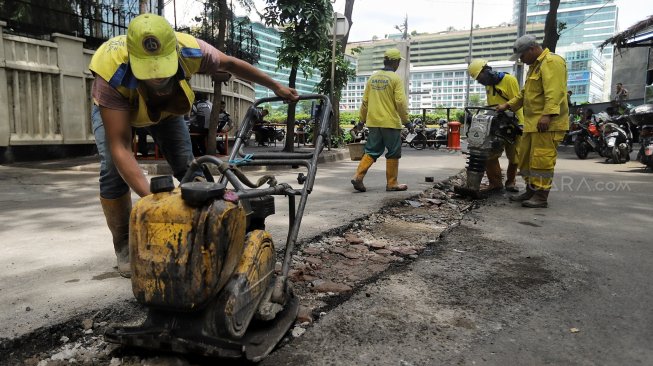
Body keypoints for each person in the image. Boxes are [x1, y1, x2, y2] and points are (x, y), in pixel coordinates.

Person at [89, 14, 298, 277]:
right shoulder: (111, 71)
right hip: (120, 105)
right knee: (111, 171)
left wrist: (275, 85)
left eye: (161, 71)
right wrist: (157, 203)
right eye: (149, 73)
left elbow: (231, 63)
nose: (156, 78)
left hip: (167, 109)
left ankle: (210, 228)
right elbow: (120, 146)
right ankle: (124, 247)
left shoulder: (190, 48)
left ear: (174, 52)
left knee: (188, 163)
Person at [496, 35, 569, 208]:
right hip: (532, 123)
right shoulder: (535, 67)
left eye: (522, 56)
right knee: (526, 159)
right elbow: (525, 94)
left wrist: (547, 115)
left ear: (532, 49)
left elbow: (555, 91)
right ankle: (531, 190)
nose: (521, 60)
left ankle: (541, 196)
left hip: (547, 123)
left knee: (541, 160)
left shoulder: (551, 62)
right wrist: (507, 105)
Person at [351, 48, 409, 192]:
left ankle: (358, 176)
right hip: (390, 123)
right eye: (398, 63)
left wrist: (361, 120)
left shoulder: (372, 78)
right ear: (395, 62)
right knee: (393, 152)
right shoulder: (395, 79)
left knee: (371, 151)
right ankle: (391, 183)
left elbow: (365, 101)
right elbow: (400, 102)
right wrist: (407, 121)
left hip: (374, 122)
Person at [467, 59, 524, 193]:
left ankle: (511, 182)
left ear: (486, 71)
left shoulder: (509, 80)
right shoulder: (489, 85)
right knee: (490, 154)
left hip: (512, 123)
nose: (479, 81)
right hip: (496, 123)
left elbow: (518, 101)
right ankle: (495, 183)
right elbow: (492, 105)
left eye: (479, 77)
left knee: (514, 157)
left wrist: (520, 123)